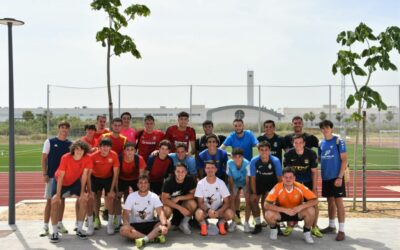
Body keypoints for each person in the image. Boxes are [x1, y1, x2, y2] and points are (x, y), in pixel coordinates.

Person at [49, 140, 93, 243]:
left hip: (74, 182)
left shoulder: (87, 158)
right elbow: (61, 176)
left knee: (83, 200)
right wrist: (58, 195)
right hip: (61, 181)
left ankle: (80, 229)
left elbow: (84, 176)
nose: (79, 151)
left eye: (81, 149)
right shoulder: (66, 157)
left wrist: (82, 193)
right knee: (55, 202)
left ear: (85, 150)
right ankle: (55, 231)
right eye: (77, 148)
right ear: (73, 149)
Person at [265, 167, 318, 244]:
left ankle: (307, 232)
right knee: (268, 213)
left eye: (290, 177)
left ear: (294, 178)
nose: (288, 179)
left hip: (297, 212)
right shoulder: (277, 187)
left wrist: (301, 207)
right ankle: (274, 229)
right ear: (282, 178)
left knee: (311, 210)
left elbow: (315, 200)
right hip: (282, 213)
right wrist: (285, 210)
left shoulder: (300, 186)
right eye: (286, 177)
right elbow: (266, 204)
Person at [283, 134, 322, 237]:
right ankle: (290, 225)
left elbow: (314, 171)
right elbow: (287, 172)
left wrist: (314, 188)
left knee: (313, 204)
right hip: (294, 183)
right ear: (293, 143)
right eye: (296, 143)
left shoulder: (311, 153)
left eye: (300, 142)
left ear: (304, 143)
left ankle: (314, 227)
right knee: (289, 203)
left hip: (308, 182)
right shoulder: (288, 154)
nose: (298, 144)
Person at [40, 121, 72, 237]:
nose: (64, 129)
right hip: (52, 176)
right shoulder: (49, 141)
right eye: (62, 127)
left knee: (62, 200)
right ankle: (45, 226)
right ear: (59, 129)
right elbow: (44, 158)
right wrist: (44, 174)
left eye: (66, 128)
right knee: (50, 201)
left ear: (68, 130)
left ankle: (59, 223)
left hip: (64, 178)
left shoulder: (70, 144)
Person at [120, 175, 170, 249]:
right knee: (123, 230)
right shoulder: (131, 196)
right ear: (137, 185)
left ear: (149, 184)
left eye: (145, 182)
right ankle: (151, 238)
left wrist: (164, 225)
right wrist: (126, 224)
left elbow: (160, 212)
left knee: (168, 223)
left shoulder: (154, 196)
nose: (143, 185)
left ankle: (144, 239)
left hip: (150, 225)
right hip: (135, 225)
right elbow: (126, 213)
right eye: (140, 183)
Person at [318, 120, 347, 241]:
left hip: (336, 177)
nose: (325, 130)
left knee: (338, 202)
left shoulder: (339, 141)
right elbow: (320, 159)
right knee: (330, 201)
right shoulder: (321, 143)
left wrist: (340, 177)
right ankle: (331, 226)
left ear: (332, 129)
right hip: (326, 177)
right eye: (323, 128)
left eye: (327, 128)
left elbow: (344, 160)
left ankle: (342, 230)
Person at [249, 141, 282, 234]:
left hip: (271, 184)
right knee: (253, 201)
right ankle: (258, 224)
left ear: (270, 151)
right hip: (259, 184)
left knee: (267, 205)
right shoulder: (254, 161)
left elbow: (279, 178)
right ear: (258, 151)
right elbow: (253, 178)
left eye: (266, 150)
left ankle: (276, 225)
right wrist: (254, 193)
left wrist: (279, 193)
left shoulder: (275, 160)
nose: (264, 152)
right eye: (261, 150)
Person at [194, 162, 234, 236]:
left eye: (212, 167)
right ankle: (204, 224)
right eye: (208, 168)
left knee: (230, 214)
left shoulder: (221, 183)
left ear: (216, 169)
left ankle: (221, 223)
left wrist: (219, 211)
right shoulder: (200, 183)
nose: (210, 170)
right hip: (206, 210)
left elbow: (227, 202)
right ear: (205, 170)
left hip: (218, 210)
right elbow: (200, 203)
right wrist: (208, 210)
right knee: (198, 214)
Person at [90, 138, 119, 235]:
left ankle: (110, 223)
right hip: (95, 178)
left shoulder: (114, 155)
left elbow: (115, 173)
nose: (105, 148)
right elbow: (88, 172)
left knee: (110, 198)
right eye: (103, 146)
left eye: (107, 146)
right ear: (99, 147)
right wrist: (89, 188)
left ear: (110, 147)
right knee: (94, 197)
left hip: (108, 178)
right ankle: (96, 219)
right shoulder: (93, 156)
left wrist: (111, 190)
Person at [115, 142, 147, 230]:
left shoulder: (139, 159)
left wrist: (142, 190)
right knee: (117, 197)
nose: (130, 152)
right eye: (127, 150)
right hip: (121, 178)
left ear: (135, 151)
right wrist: (117, 189)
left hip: (135, 179)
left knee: (139, 196)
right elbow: (116, 175)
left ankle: (136, 217)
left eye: (132, 150)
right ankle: (118, 219)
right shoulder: (119, 158)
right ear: (124, 151)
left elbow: (141, 176)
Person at [161, 163, 197, 235]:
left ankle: (184, 223)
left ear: (186, 172)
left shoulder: (190, 179)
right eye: (178, 171)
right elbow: (164, 199)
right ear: (174, 172)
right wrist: (180, 208)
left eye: (183, 171)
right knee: (166, 210)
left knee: (192, 204)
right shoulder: (169, 181)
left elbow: (194, 195)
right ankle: (164, 225)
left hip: (183, 202)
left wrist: (179, 197)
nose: (180, 173)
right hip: (171, 203)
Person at [226, 148, 252, 232]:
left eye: (239, 156)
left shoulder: (247, 163)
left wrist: (247, 191)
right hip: (235, 182)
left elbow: (248, 179)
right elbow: (230, 178)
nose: (237, 158)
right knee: (231, 198)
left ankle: (246, 223)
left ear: (243, 157)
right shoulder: (229, 163)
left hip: (245, 182)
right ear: (232, 157)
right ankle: (234, 222)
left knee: (248, 200)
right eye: (235, 157)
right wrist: (231, 191)